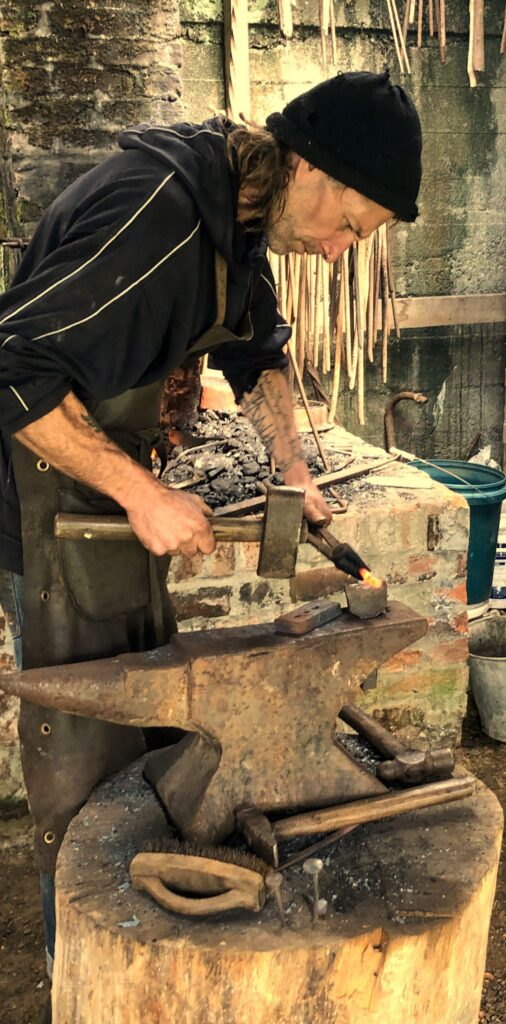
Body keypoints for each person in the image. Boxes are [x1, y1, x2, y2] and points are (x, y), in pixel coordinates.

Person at [0, 69, 422, 974]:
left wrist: (294, 474)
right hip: (43, 509)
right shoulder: (159, 216)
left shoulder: (238, 219)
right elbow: (12, 372)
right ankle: (79, 966)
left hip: (102, 506)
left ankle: (157, 959)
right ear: (307, 165)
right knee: (82, 773)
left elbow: (258, 347)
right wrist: (143, 494)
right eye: (350, 226)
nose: (344, 252)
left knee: (148, 749)